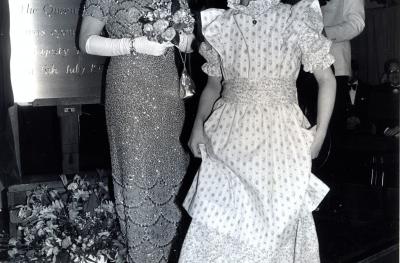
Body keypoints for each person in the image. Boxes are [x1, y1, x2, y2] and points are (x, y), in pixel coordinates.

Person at [178, 0, 336, 262]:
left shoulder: (294, 18)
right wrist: (198, 125)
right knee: (219, 218)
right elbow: (213, 86)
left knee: (275, 225)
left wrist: (319, 134)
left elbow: (327, 79)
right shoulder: (223, 23)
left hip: (279, 139)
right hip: (228, 135)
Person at [78, 1, 193, 262]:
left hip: (166, 89)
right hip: (128, 87)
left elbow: (190, 43)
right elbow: (85, 41)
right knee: (135, 167)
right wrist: (132, 45)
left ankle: (173, 252)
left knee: (172, 162)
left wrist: (178, 36)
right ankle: (142, 254)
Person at [321, 0, 365, 137]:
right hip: (303, 65)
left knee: (333, 127)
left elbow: (357, 24)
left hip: (335, 66)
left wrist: (324, 33)